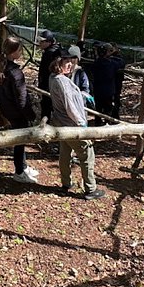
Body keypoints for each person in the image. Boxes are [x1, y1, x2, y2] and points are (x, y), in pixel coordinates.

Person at [49, 54, 105, 199]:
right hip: (71, 125)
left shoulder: (54, 77)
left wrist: (80, 94)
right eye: (65, 61)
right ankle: (91, 189)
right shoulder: (62, 81)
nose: (69, 64)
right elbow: (69, 106)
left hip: (61, 124)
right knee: (87, 154)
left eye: (70, 62)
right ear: (58, 62)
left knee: (65, 153)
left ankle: (66, 183)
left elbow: (68, 97)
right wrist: (81, 124)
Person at [0, 36, 40, 184]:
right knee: (20, 141)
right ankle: (19, 171)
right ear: (12, 52)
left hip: (7, 109)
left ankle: (23, 166)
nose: (21, 53)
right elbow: (21, 98)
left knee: (21, 141)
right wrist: (30, 114)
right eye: (19, 50)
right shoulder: (15, 73)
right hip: (17, 112)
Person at [91, 43, 124, 124]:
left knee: (98, 109)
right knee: (108, 110)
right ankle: (107, 125)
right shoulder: (111, 64)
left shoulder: (96, 63)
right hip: (108, 92)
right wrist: (113, 55)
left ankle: (98, 124)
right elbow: (122, 62)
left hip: (97, 90)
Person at [36, 29, 61, 121]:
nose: (40, 43)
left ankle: (44, 127)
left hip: (49, 85)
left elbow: (45, 72)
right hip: (53, 85)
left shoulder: (49, 53)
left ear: (49, 42)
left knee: (46, 107)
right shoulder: (53, 51)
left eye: (42, 41)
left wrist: (41, 86)